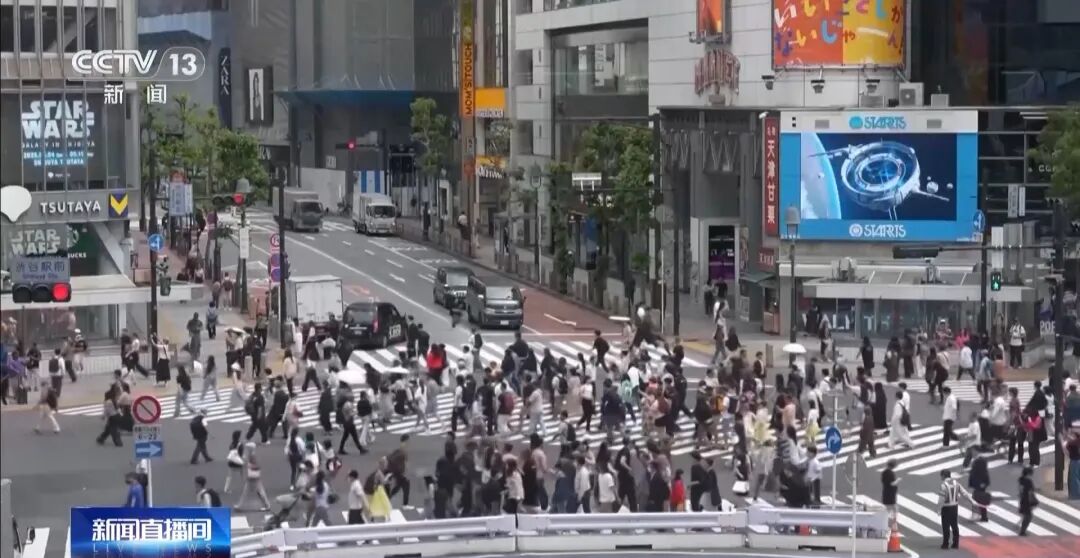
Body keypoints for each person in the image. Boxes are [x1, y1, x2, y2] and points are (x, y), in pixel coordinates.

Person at [938, 471, 968, 549]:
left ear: (943, 476)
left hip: (946, 507)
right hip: (954, 507)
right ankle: (955, 543)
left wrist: (939, 509)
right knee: (954, 525)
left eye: (941, 476)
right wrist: (971, 500)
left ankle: (945, 544)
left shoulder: (943, 485)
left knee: (946, 526)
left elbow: (941, 499)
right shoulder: (956, 483)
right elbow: (964, 493)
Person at [1017, 466, 1037, 535]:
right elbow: (1030, 492)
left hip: (1022, 499)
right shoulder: (1028, 482)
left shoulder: (1021, 480)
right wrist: (1032, 501)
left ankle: (1022, 529)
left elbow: (1020, 490)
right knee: (1028, 516)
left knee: (1026, 515)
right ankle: (1022, 531)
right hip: (1027, 500)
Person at [881, 460, 899, 530]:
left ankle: (888, 524)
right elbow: (892, 483)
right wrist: (897, 480)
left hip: (886, 493)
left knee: (888, 509)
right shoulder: (890, 473)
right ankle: (893, 524)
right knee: (894, 509)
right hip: (890, 494)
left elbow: (884, 481)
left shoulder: (884, 472)